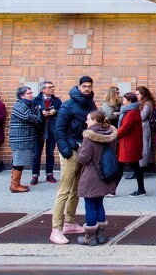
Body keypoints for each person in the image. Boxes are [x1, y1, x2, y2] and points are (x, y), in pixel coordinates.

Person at [50, 76, 97, 244]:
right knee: (64, 189)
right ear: (78, 87)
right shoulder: (67, 105)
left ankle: (69, 222)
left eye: (90, 86)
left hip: (84, 150)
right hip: (71, 151)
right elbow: (59, 130)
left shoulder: (91, 104)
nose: (87, 89)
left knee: (76, 189)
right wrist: (66, 151)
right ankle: (56, 229)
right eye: (84, 86)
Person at [76, 110, 118, 246]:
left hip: (92, 175)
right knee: (99, 204)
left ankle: (90, 237)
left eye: (88, 119)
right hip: (105, 174)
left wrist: (79, 149)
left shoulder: (89, 136)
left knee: (89, 205)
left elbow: (84, 158)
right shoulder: (110, 134)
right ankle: (100, 235)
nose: (86, 122)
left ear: (94, 120)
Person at [9, 86, 41, 193]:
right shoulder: (20, 105)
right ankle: (15, 185)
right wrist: (38, 114)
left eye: (31, 92)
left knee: (19, 161)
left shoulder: (27, 105)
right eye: (28, 93)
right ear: (21, 96)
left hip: (24, 138)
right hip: (20, 139)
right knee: (19, 162)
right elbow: (30, 117)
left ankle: (15, 183)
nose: (31, 94)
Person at [114, 92, 146, 197]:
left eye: (124, 100)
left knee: (122, 166)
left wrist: (114, 133)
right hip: (129, 143)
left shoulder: (131, 113)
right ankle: (141, 189)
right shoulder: (131, 111)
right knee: (133, 166)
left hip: (129, 144)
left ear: (130, 101)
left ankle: (112, 190)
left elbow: (125, 128)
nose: (122, 102)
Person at [31, 80, 61, 185]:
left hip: (52, 130)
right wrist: (41, 113)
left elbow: (61, 112)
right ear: (43, 89)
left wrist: (55, 111)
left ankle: (49, 174)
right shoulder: (36, 100)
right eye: (49, 87)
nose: (52, 89)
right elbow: (31, 114)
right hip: (39, 129)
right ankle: (35, 175)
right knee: (37, 154)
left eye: (52, 86)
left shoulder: (57, 100)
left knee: (50, 153)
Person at [134, 86, 156, 174]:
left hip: (144, 127)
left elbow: (142, 116)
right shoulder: (141, 103)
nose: (136, 96)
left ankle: (141, 168)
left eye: (138, 94)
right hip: (140, 127)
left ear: (142, 94)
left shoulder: (147, 104)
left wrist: (134, 115)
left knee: (144, 147)